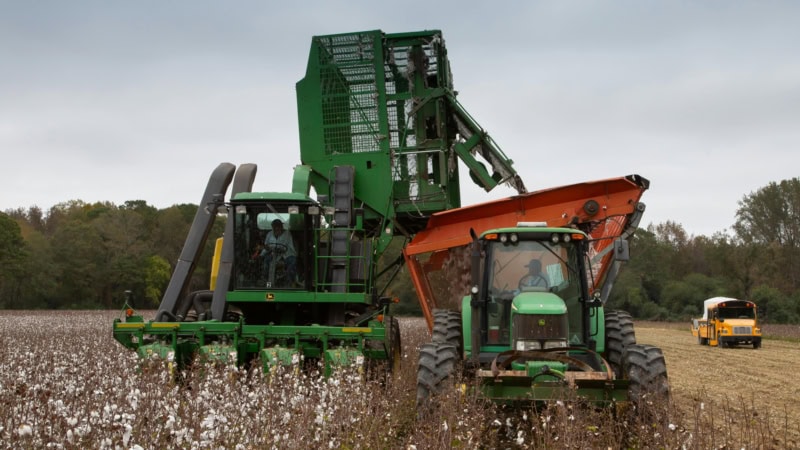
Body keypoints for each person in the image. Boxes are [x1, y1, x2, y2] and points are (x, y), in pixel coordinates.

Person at [261, 219, 297, 286]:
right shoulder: (269, 234)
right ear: (273, 227)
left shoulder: (287, 234)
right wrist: (266, 250)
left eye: (278, 226)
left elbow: (289, 246)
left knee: (292, 261)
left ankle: (290, 282)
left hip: (286, 254)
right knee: (265, 262)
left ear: (281, 226)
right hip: (272, 254)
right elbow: (266, 245)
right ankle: (266, 282)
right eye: (275, 226)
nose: (276, 228)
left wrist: (282, 251)